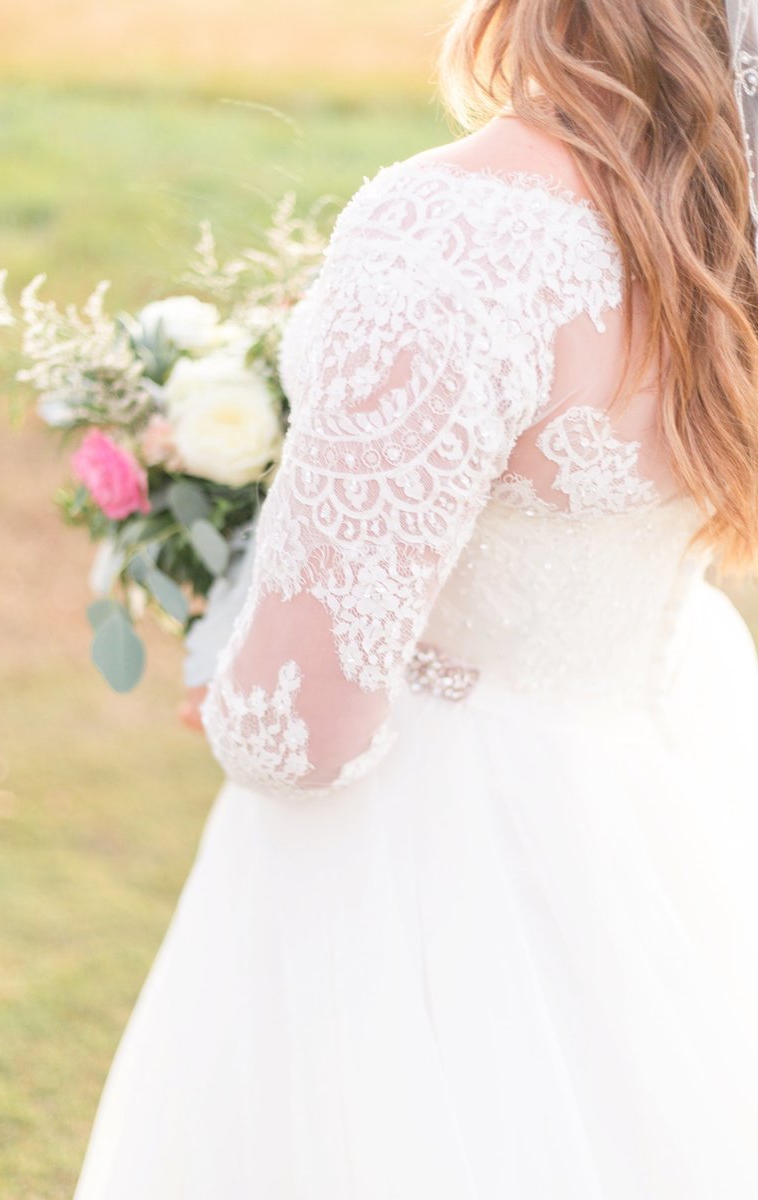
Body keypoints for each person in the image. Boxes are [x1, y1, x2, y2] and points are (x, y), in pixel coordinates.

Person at [73, 1, 758, 1195]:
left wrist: (234, 642)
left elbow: (299, 729)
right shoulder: (718, 220)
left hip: (430, 858)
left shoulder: (455, 228)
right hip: (665, 783)